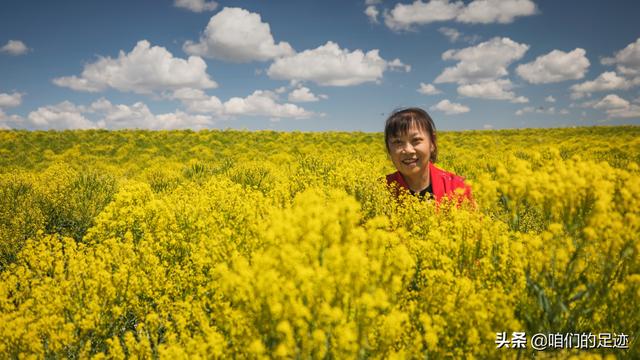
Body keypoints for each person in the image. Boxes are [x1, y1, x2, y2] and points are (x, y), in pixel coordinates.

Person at [384, 107, 473, 204]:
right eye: (398, 142)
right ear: (389, 149)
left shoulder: (458, 187)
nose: (408, 150)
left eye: (416, 140)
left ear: (432, 143)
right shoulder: (381, 190)